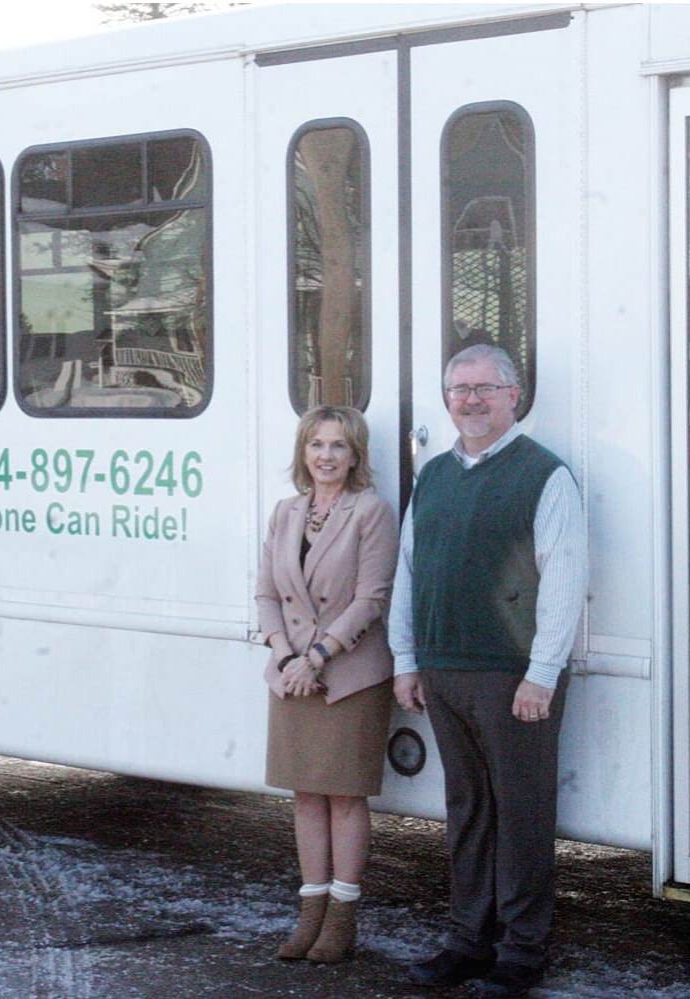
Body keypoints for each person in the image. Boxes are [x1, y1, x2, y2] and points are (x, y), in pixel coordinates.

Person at [391, 344, 586, 997]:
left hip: (514, 677)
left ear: (513, 394)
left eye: (483, 387)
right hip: (443, 669)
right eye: (458, 388)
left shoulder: (544, 475)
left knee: (522, 811)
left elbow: (565, 579)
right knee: (467, 808)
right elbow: (410, 572)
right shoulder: (436, 474)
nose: (469, 400)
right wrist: (405, 658)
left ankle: (523, 951)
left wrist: (543, 671)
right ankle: (468, 941)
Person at [256, 405, 399, 964]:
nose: (326, 456)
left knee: (344, 796)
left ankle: (342, 915)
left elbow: (372, 597)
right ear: (303, 452)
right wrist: (285, 653)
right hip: (291, 675)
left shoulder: (372, 512)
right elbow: (267, 593)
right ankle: (309, 909)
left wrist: (318, 655)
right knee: (305, 796)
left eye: (338, 445)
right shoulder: (285, 513)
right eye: (316, 444)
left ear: (355, 455)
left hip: (349, 676)